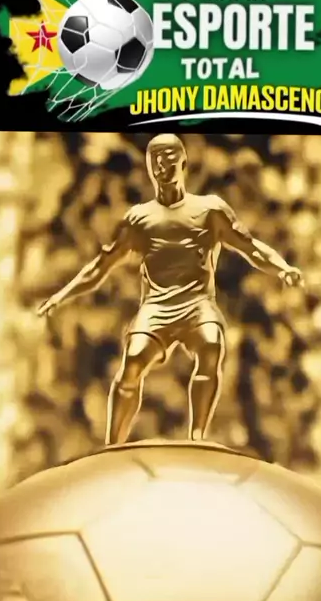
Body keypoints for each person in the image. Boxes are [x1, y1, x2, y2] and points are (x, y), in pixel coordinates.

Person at [37, 134, 304, 445]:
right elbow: (100, 267)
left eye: (169, 158)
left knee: (211, 345)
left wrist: (282, 268)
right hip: (157, 308)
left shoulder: (209, 210)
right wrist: (62, 295)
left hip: (197, 305)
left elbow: (251, 248)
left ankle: (197, 435)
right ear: (150, 168)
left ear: (183, 163)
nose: (162, 166)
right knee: (132, 363)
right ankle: (113, 443)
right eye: (156, 161)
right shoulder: (140, 219)